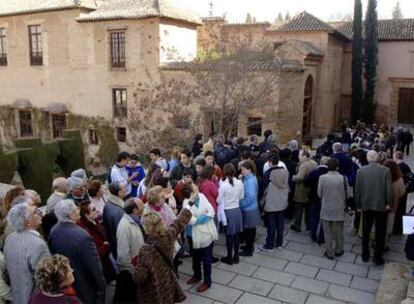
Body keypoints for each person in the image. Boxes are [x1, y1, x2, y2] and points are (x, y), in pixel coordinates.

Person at [49, 200, 106, 304]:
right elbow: (93, 266)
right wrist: (101, 286)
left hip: (66, 287)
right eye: (76, 209)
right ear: (71, 215)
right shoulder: (82, 236)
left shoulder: (53, 231)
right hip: (86, 288)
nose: (79, 211)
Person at [133, 207, 193, 304]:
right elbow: (178, 222)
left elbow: (139, 277)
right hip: (167, 281)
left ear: (147, 227)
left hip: (154, 290)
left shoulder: (145, 250)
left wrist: (136, 267)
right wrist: (189, 205)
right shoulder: (168, 236)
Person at [4, 203, 50, 304]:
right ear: (27, 222)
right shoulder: (38, 244)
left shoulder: (10, 238)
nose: (40, 213)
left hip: (17, 298)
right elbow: (47, 279)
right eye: (35, 213)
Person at [355, 150, 393, 266]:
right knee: (380, 232)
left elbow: (357, 190)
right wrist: (388, 202)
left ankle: (365, 254)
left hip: (366, 205)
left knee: (366, 232)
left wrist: (358, 205)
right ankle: (378, 257)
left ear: (367, 158)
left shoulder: (360, 171)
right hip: (380, 206)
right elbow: (388, 190)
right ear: (376, 158)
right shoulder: (385, 170)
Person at [183, 183, 218, 292]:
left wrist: (198, 219)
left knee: (207, 260)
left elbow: (211, 211)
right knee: (195, 257)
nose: (198, 188)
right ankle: (197, 275)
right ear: (191, 194)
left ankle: (207, 282)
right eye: (195, 188)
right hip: (192, 234)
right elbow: (190, 220)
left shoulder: (202, 196)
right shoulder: (186, 203)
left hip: (206, 234)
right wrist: (204, 217)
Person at [115, 198, 146, 303]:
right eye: (141, 204)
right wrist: (134, 272)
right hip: (131, 273)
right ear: (135, 210)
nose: (144, 205)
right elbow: (123, 256)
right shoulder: (124, 227)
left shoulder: (136, 220)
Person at [317, 159, 349, 259]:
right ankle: (339, 249)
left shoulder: (322, 178)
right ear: (337, 167)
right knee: (339, 230)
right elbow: (348, 193)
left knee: (327, 232)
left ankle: (329, 252)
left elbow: (319, 193)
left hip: (326, 207)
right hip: (339, 207)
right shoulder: (343, 178)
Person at [78, 200, 115, 283]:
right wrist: (106, 246)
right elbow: (96, 252)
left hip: (107, 259)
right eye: (94, 209)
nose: (97, 211)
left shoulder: (95, 220)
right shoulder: (86, 231)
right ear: (87, 215)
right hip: (102, 265)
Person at [258, 154, 289, 252]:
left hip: (271, 202)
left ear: (270, 162)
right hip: (282, 201)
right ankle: (279, 243)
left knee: (271, 225)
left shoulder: (268, 173)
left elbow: (263, 189)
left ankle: (269, 245)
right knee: (280, 223)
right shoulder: (285, 172)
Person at [217, 164, 244, 265]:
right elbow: (242, 197)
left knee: (229, 236)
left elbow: (219, 200)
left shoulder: (224, 186)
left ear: (225, 172)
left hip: (227, 211)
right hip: (237, 211)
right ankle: (236, 256)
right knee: (236, 235)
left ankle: (229, 257)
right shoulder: (240, 183)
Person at [304, 156, 329, 243]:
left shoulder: (314, 173)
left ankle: (313, 234)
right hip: (326, 199)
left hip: (314, 198)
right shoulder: (330, 173)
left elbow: (306, 183)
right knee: (324, 219)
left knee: (314, 217)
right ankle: (322, 237)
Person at [291, 150, 318, 232]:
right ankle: (309, 226)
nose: (298, 157)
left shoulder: (304, 165)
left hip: (301, 191)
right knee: (308, 210)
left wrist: (293, 177)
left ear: (304, 156)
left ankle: (297, 225)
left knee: (298, 209)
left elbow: (300, 178)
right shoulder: (314, 163)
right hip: (310, 190)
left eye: (300, 156)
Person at [239, 160, 261, 257]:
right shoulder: (250, 178)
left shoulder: (250, 181)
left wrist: (241, 204)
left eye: (243, 170)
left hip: (249, 209)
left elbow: (250, 197)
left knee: (250, 230)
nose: (242, 172)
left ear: (249, 169)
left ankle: (249, 250)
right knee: (249, 229)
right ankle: (248, 246)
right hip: (251, 208)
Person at [383, 160, 406, 248]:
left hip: (381, 206)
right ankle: (385, 244)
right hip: (393, 207)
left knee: (380, 224)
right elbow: (402, 193)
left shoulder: (382, 176)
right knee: (389, 226)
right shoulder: (399, 179)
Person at [102, 181, 126, 259]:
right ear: (119, 192)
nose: (125, 190)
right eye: (123, 188)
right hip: (121, 250)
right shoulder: (118, 211)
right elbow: (122, 235)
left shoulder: (108, 204)